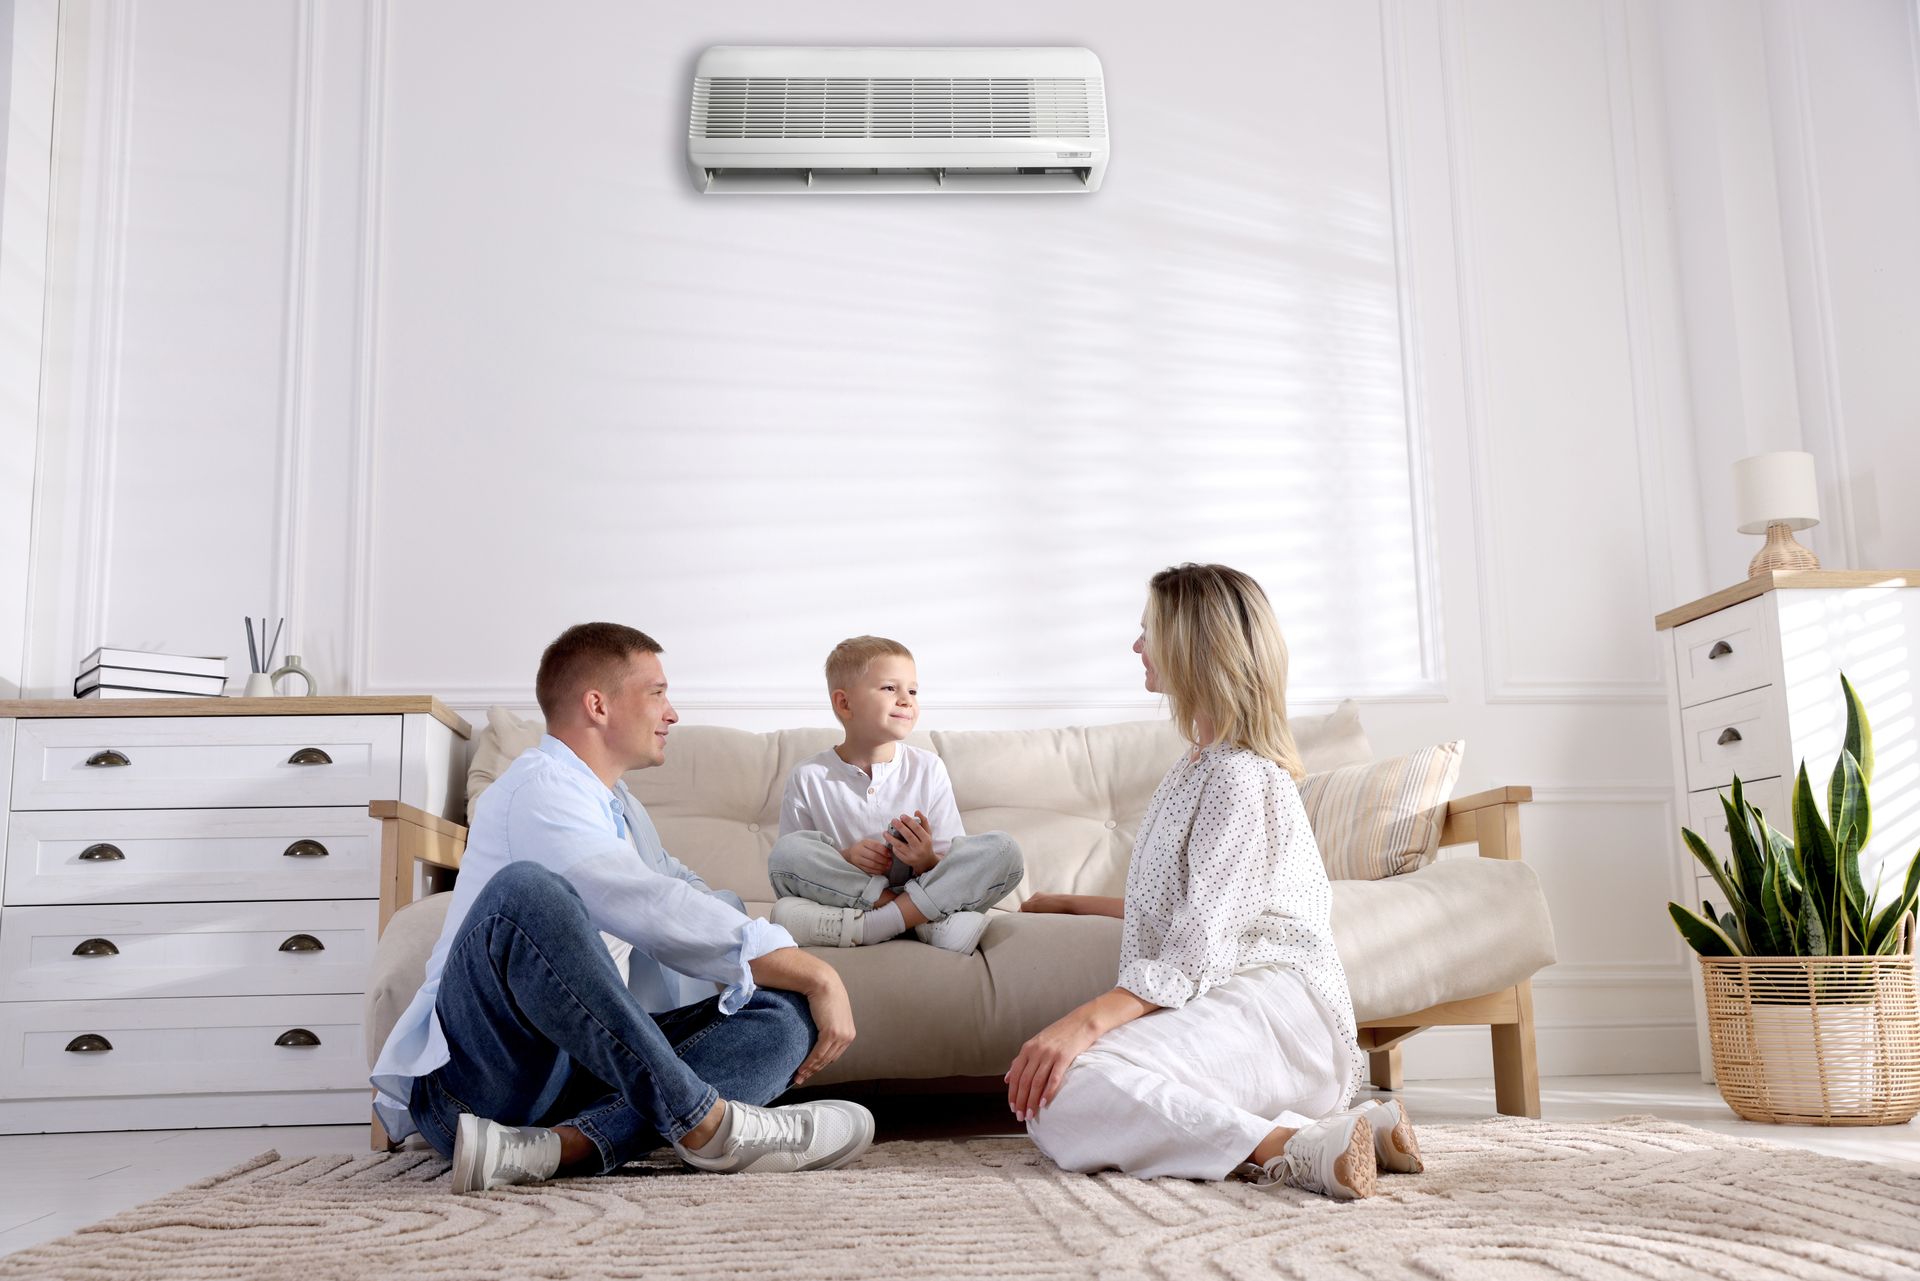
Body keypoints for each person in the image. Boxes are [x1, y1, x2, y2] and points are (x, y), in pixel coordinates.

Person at [370, 622, 875, 1194]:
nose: (671, 713)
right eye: (657, 693)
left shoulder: (618, 807)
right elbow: (646, 901)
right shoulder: (538, 789)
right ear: (598, 705)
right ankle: (704, 1124)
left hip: (583, 1071)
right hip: (481, 1086)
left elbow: (684, 889)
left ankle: (562, 1147)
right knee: (526, 892)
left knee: (787, 1014)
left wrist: (789, 971)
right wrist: (817, 971)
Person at [1009, 564, 1422, 1200]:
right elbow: (1197, 906)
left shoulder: (1239, 775)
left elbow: (1198, 943)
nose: (1137, 645)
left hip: (1278, 1019)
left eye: (1148, 630)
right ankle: (1353, 1128)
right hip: (1263, 1021)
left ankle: (1292, 1149)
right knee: (1071, 1083)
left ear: (1191, 646)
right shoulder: (1198, 768)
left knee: (1060, 1093)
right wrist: (1068, 901)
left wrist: (1085, 1023)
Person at [766, 635, 1024, 956]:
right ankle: (918, 920)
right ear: (844, 704)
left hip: (923, 887)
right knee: (785, 854)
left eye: (912, 691)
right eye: (890, 688)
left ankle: (875, 925)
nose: (906, 700)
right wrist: (846, 858)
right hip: (849, 896)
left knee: (1005, 850)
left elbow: (950, 864)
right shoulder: (809, 776)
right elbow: (796, 863)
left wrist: (925, 859)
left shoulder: (928, 767)